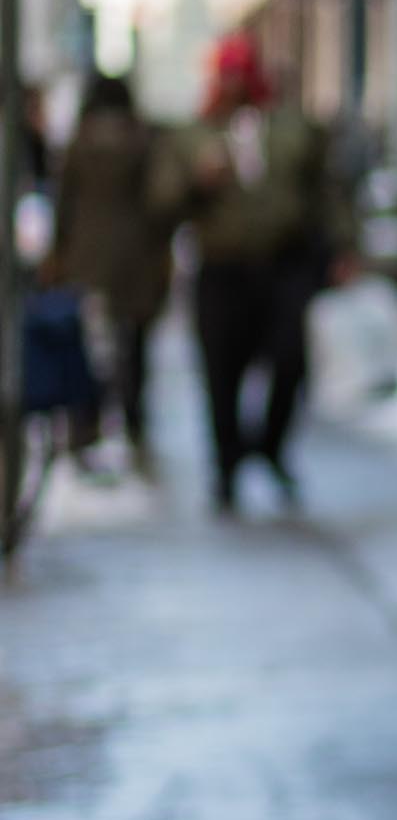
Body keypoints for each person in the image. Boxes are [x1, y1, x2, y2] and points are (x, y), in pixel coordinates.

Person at [153, 34, 355, 511]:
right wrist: (196, 182)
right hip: (222, 269)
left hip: (283, 264)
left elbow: (326, 190)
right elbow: (162, 203)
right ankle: (226, 466)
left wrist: (345, 245)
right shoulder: (192, 136)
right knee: (221, 373)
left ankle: (270, 445)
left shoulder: (292, 128)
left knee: (289, 359)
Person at [47, 72, 174, 463]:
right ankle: (134, 424)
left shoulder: (79, 144)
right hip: (135, 258)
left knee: (87, 346)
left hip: (86, 259)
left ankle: (85, 424)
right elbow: (160, 201)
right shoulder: (144, 141)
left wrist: (59, 253)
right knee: (133, 347)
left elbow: (63, 203)